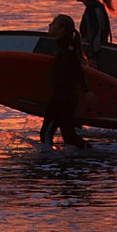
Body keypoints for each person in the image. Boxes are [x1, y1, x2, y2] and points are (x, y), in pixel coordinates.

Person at [39, 14, 89, 149]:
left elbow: (77, 71)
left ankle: (47, 162)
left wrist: (86, 90)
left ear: (61, 29)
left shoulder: (66, 49)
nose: (50, 26)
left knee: (46, 134)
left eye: (53, 24)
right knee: (68, 136)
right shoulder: (65, 47)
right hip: (65, 98)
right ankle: (88, 153)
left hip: (62, 99)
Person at [74, 0, 115, 66]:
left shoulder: (93, 8)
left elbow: (96, 33)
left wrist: (92, 56)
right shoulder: (93, 7)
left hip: (95, 57)